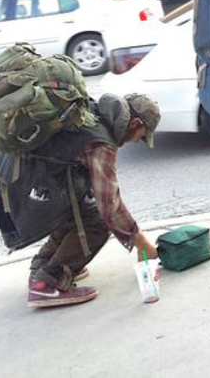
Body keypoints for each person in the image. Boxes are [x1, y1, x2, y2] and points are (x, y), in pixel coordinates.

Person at [26, 93, 161, 308]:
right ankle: (47, 284)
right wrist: (141, 243)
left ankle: (42, 267)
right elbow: (110, 208)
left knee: (83, 206)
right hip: (38, 194)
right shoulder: (100, 142)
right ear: (134, 123)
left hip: (35, 187)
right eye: (141, 136)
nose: (137, 141)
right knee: (98, 222)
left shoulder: (92, 112)